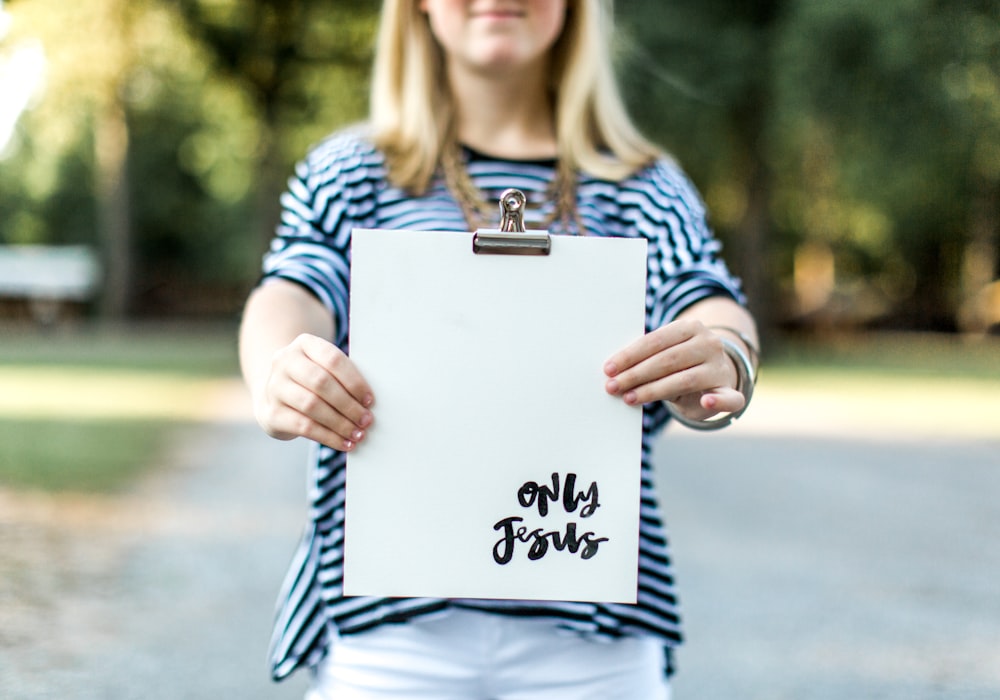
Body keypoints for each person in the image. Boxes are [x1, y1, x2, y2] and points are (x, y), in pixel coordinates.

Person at [239, 1, 759, 698]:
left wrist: (725, 356)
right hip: (388, 628)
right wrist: (279, 366)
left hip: (593, 635)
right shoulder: (352, 174)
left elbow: (707, 298)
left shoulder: (642, 187)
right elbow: (292, 288)